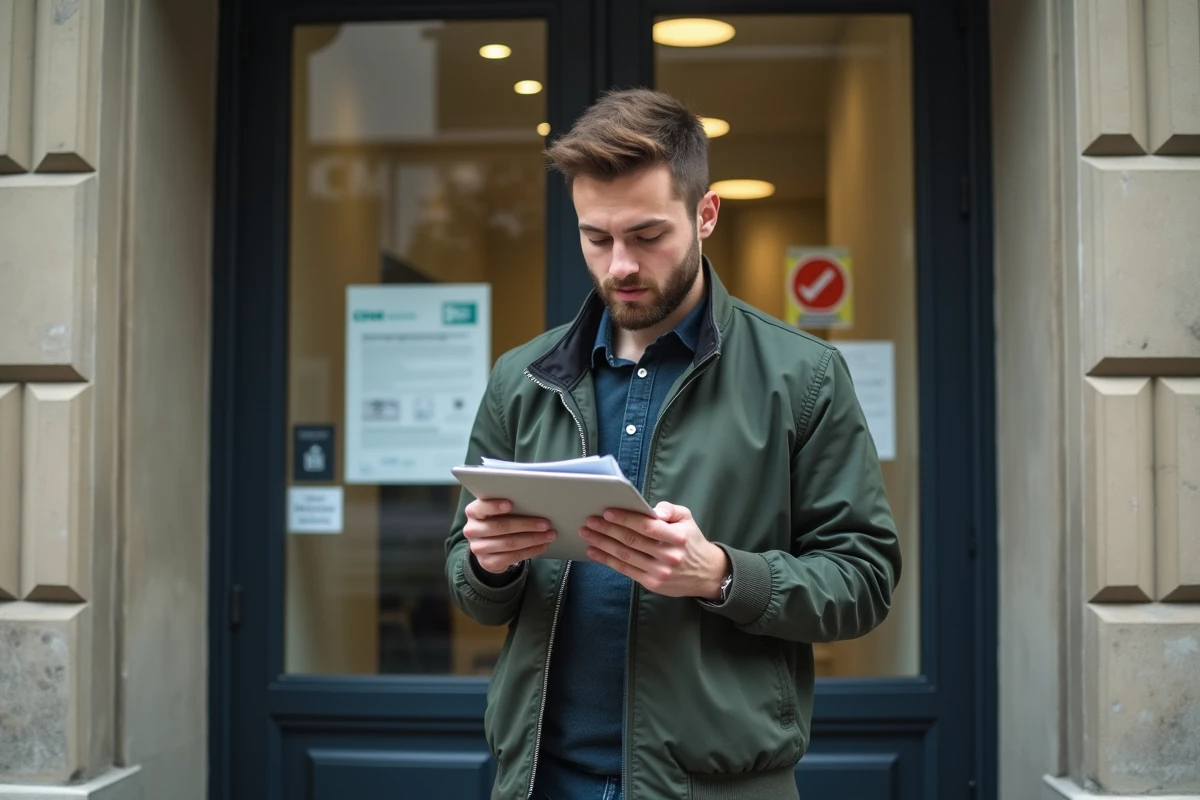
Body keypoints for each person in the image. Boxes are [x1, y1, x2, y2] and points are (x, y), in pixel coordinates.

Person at [444, 88, 901, 800]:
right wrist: (489, 564)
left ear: (706, 214)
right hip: (539, 782)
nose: (620, 264)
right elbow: (472, 589)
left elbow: (865, 580)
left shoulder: (803, 377)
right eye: (596, 237)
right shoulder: (521, 378)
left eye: (648, 235)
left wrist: (722, 574)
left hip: (716, 787)